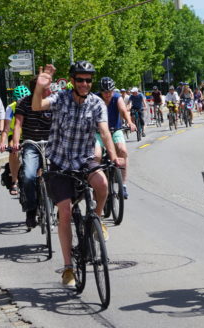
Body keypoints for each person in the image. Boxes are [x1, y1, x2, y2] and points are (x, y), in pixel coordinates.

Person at [31, 61, 118, 287]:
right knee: (66, 211)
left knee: (102, 184)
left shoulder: (97, 103)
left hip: (84, 158)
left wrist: (114, 155)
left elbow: (105, 132)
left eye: (88, 80)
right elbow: (38, 106)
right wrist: (40, 86)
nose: (84, 84)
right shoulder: (61, 99)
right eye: (80, 79)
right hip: (60, 162)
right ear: (72, 80)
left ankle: (96, 220)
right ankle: (68, 268)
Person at [10, 80, 53, 229]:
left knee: (63, 174)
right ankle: (31, 210)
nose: (50, 91)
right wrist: (16, 142)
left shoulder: (52, 102)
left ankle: (66, 208)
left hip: (51, 144)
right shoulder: (24, 103)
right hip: (31, 144)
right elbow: (18, 125)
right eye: (46, 89)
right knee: (28, 176)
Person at [95, 77, 135, 199]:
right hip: (99, 132)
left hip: (115, 130)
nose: (107, 94)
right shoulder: (96, 99)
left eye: (110, 91)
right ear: (100, 91)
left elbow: (123, 110)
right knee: (96, 155)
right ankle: (96, 186)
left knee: (122, 150)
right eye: (105, 92)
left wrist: (129, 122)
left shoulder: (117, 97)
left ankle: (123, 185)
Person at [0, 85, 31, 196]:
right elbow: (6, 128)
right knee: (14, 150)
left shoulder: (33, 105)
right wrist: (3, 142)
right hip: (14, 135)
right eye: (20, 100)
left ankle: (39, 178)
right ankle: (14, 181)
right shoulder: (11, 108)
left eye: (25, 99)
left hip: (29, 134)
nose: (23, 102)